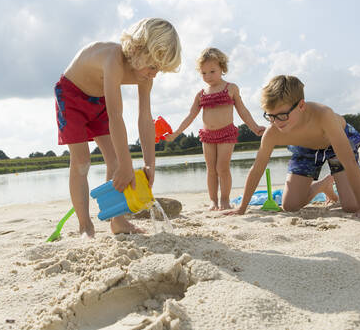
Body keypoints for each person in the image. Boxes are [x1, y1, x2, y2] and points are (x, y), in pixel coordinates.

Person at [54, 18, 182, 237]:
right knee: (82, 161)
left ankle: (118, 221)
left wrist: (149, 164)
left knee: (114, 160)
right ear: (137, 49)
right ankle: (85, 225)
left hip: (100, 99)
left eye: (159, 69)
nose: (154, 74)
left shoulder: (146, 77)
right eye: (152, 66)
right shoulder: (113, 58)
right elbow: (116, 115)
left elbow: (145, 117)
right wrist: (127, 163)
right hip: (71, 95)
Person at [223, 75, 360, 220]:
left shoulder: (324, 115)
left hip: (335, 142)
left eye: (282, 115)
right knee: (290, 205)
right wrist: (242, 207)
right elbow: (257, 169)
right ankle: (323, 184)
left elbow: (349, 162)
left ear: (301, 105)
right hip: (305, 147)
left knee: (352, 205)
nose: (276, 122)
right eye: (271, 116)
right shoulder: (273, 131)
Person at [166, 48, 265, 210]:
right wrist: (176, 133)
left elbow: (243, 110)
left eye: (212, 71)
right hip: (207, 136)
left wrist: (254, 128)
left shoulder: (230, 88)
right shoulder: (201, 94)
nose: (208, 76)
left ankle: (224, 200)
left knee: (222, 168)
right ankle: (213, 201)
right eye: (204, 73)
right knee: (211, 169)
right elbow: (191, 115)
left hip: (226, 133)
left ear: (222, 69)